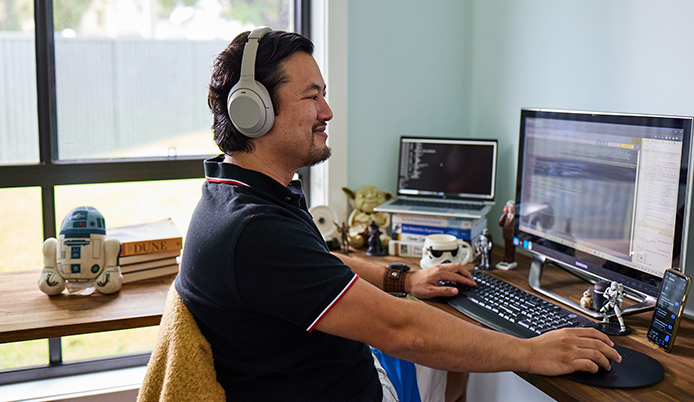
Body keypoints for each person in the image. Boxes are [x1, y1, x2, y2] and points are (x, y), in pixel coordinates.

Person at [176, 28, 621, 401]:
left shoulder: (238, 197)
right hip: (347, 388)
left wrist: (404, 279)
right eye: (312, 97)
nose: (327, 112)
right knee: (443, 343)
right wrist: (532, 351)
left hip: (336, 369)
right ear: (253, 110)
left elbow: (316, 263)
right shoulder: (254, 229)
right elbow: (406, 331)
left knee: (452, 354)